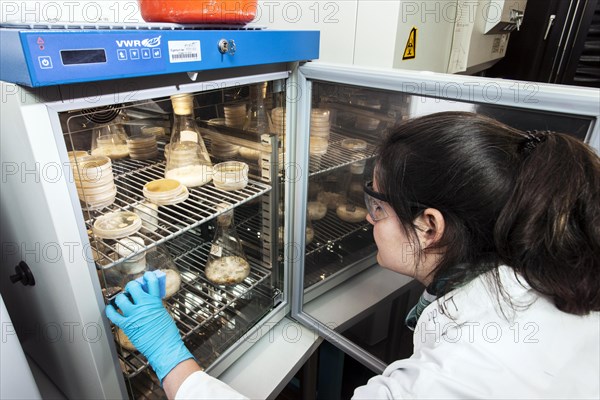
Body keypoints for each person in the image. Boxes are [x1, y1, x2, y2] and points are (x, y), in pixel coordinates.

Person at [106, 112, 600, 399]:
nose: (368, 218)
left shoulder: (455, 379)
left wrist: (172, 358)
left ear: (429, 226)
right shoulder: (546, 270)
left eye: (377, 205)